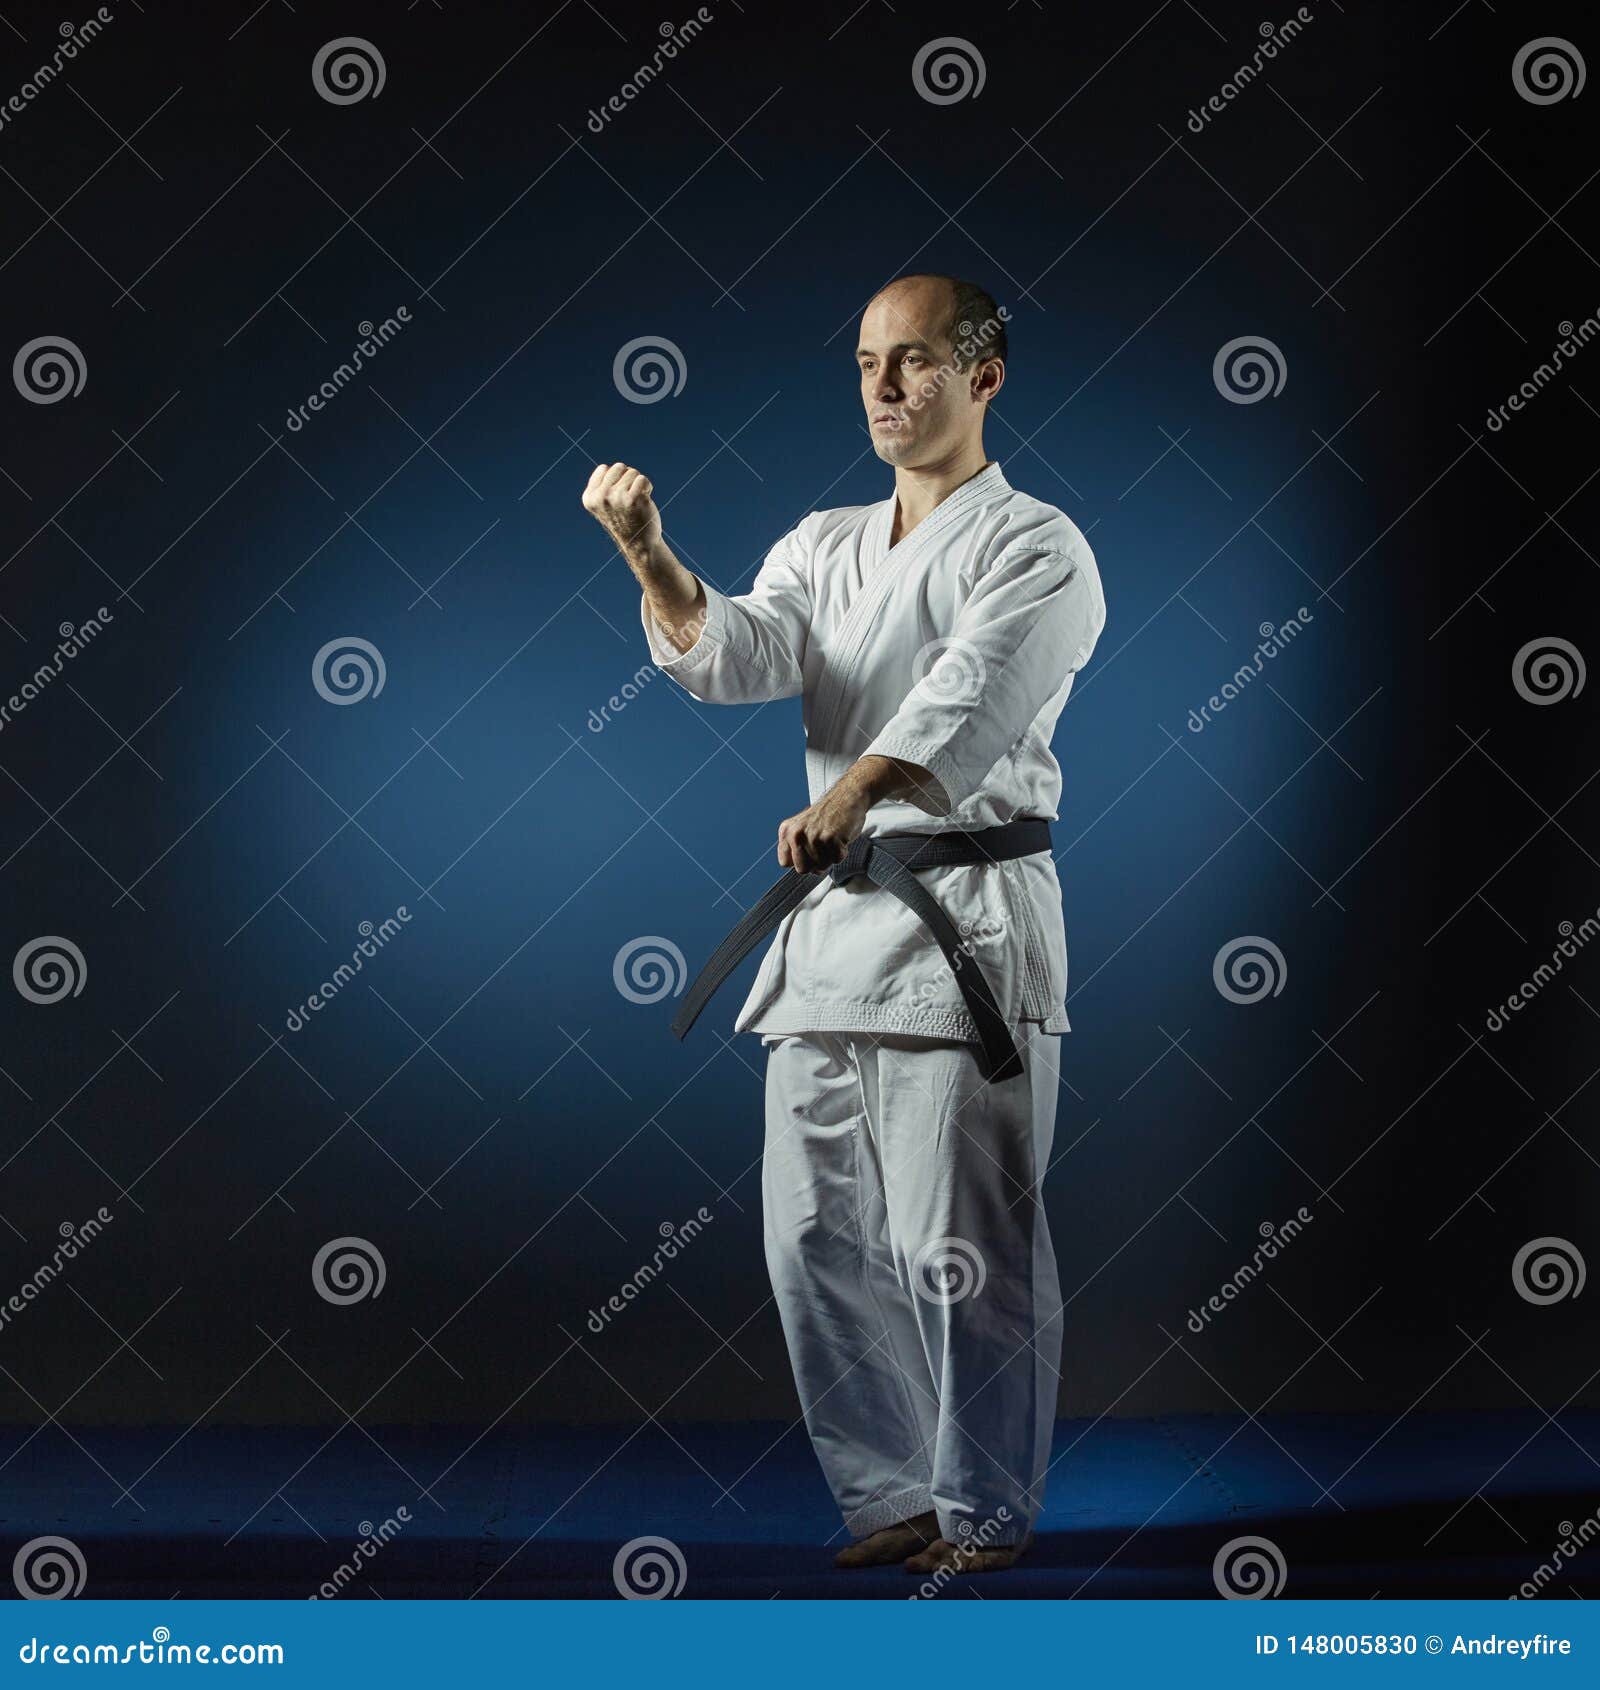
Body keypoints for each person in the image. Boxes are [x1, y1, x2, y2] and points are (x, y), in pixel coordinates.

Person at [581, 273, 1106, 1575]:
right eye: (869, 359)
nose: (884, 385)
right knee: (813, 1234)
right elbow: (739, 652)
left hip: (963, 918)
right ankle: (892, 1491)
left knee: (955, 1243)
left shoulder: (1037, 543)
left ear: (983, 376)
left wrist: (861, 786)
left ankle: (985, 1505)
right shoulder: (821, 542)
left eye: (916, 359)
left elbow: (976, 688)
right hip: (833, 931)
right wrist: (649, 550)